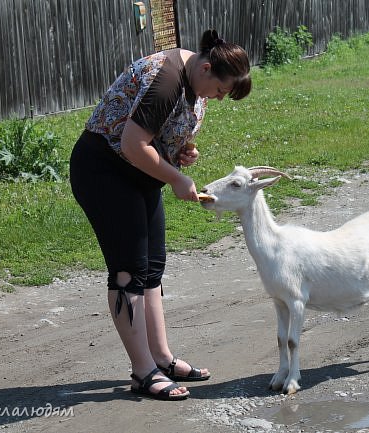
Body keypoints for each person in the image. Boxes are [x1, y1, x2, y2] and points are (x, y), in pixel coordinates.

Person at [69, 29, 251, 401]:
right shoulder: (167, 79)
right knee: (128, 271)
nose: (215, 98)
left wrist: (180, 151)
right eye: (218, 90)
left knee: (152, 266)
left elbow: (155, 133)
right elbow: (132, 144)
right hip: (105, 172)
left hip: (138, 174)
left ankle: (161, 358)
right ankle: (143, 371)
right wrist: (177, 179)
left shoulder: (190, 78)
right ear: (205, 67)